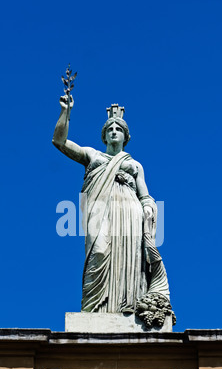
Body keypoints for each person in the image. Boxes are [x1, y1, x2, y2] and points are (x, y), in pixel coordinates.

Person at [53, 97, 174, 326]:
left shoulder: (135, 165)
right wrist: (65, 112)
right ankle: (92, 310)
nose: (114, 132)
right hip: (100, 211)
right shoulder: (92, 156)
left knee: (132, 260)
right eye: (110, 129)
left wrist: (148, 209)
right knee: (98, 253)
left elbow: (145, 195)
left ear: (126, 137)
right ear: (104, 135)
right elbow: (59, 141)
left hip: (130, 212)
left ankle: (128, 307)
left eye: (119, 129)